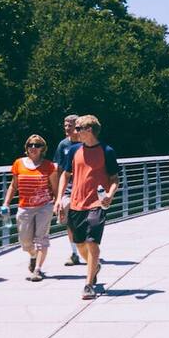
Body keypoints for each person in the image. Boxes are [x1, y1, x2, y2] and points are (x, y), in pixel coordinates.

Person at [56, 115, 120, 300]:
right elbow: (65, 175)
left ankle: (89, 284)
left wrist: (110, 195)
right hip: (76, 203)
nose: (74, 132)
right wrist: (60, 198)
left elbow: (115, 179)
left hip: (97, 203)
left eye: (78, 129)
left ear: (89, 130)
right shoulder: (74, 150)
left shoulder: (107, 151)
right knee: (80, 243)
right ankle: (95, 265)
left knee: (92, 242)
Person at [3, 135, 57, 281]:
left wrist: (58, 204)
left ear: (42, 149)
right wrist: (6, 203)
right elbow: (14, 186)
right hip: (25, 207)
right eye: (31, 145)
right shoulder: (18, 164)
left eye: (37, 145)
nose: (33, 147)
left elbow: (55, 188)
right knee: (26, 242)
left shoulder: (48, 166)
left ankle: (37, 270)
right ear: (26, 147)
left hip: (44, 206)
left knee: (41, 239)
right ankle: (33, 255)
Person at [52, 114, 83, 266]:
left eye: (70, 125)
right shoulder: (63, 145)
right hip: (69, 189)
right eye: (65, 125)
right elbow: (58, 171)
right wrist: (57, 194)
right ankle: (74, 253)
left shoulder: (87, 144)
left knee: (84, 221)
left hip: (85, 189)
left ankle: (87, 248)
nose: (67, 128)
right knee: (70, 221)